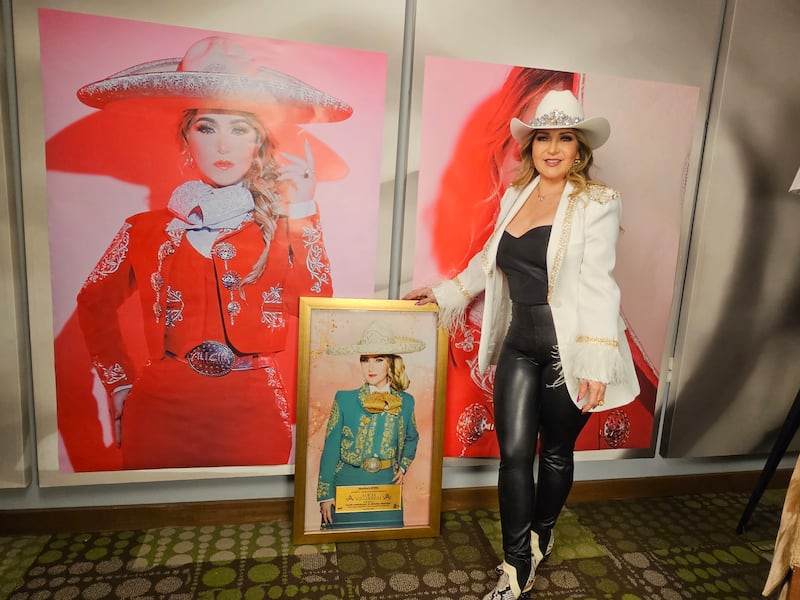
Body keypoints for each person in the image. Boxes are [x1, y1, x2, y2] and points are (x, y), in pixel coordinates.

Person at [405, 90, 640, 599]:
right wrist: (444, 292)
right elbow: (489, 260)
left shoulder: (598, 201)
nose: (553, 149)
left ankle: (542, 531)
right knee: (513, 456)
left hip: (570, 348)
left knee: (554, 452)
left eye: (565, 138)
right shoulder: (516, 194)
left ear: (580, 148)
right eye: (543, 139)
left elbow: (600, 281)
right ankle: (516, 566)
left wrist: (597, 362)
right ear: (530, 146)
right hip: (519, 342)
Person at [75, 36, 351, 469]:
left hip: (252, 406)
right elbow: (93, 303)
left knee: (254, 529)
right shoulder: (142, 229)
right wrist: (118, 384)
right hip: (159, 408)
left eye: (239, 129)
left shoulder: (279, 224)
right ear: (187, 139)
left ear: (258, 144)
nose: (223, 146)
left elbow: (317, 301)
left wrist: (302, 209)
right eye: (207, 128)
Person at [317, 320, 422, 530]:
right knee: (344, 547)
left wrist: (402, 466)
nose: (370, 367)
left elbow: (412, 437)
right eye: (365, 360)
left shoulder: (406, 402)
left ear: (390, 363)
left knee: (387, 549)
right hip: (347, 480)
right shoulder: (344, 399)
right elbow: (330, 449)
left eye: (379, 359)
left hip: (386, 483)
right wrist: (325, 494)